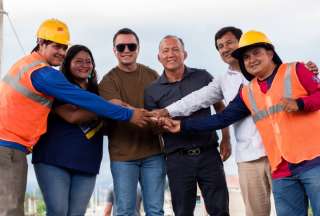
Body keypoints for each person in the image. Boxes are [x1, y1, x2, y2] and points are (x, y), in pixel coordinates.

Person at [0, 19, 150, 216]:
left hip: (14, 147)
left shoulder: (30, 66)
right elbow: (82, 101)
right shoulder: (42, 73)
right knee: (9, 210)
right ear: (40, 42)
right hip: (8, 147)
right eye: (56, 46)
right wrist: (128, 114)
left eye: (64, 47)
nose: (61, 52)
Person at [162, 30, 320, 216]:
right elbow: (220, 117)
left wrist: (300, 103)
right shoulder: (247, 91)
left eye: (256, 53)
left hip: (313, 161)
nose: (251, 59)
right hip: (280, 168)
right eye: (246, 57)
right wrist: (181, 125)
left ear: (270, 53)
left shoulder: (295, 70)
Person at [144, 35, 230, 216]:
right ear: (158, 57)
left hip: (209, 154)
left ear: (185, 54)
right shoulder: (152, 91)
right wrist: (160, 124)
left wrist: (226, 139)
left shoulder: (203, 76)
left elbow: (221, 108)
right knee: (182, 212)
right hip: (177, 160)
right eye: (165, 51)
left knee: (220, 210)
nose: (170, 54)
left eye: (175, 49)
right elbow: (153, 129)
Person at [99, 28, 165, 216]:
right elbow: (116, 106)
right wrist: (149, 115)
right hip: (123, 157)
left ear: (138, 48)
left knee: (155, 210)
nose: (126, 50)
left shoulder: (152, 75)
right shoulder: (108, 81)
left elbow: (164, 106)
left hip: (154, 154)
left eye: (131, 46)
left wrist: (154, 116)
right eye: (121, 46)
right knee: (125, 211)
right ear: (114, 50)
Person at [31, 45, 105, 215]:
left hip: (87, 162)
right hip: (53, 159)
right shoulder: (57, 87)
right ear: (67, 63)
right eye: (78, 61)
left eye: (88, 61)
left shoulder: (99, 93)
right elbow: (72, 116)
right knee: (58, 211)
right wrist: (105, 108)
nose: (84, 65)